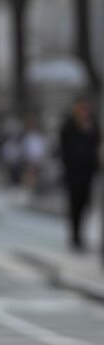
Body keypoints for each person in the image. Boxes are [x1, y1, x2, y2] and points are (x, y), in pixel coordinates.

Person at [58, 96, 101, 251]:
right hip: (73, 173)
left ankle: (81, 235)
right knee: (74, 205)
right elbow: (64, 149)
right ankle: (75, 237)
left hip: (88, 172)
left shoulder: (92, 126)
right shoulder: (68, 127)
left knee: (86, 205)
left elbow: (95, 145)